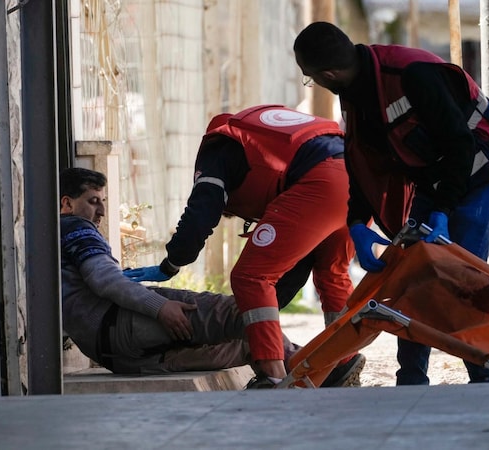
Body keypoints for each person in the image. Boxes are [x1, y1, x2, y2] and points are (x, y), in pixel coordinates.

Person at [294, 22, 489, 385]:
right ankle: (411, 382)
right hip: (435, 175)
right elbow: (361, 162)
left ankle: (485, 383)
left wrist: (442, 212)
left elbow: (460, 146)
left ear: (327, 74)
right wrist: (357, 224)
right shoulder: (353, 90)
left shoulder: (412, 74)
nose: (314, 84)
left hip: (481, 172)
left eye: (310, 78)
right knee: (410, 282)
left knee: (462, 284)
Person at [123, 105, 365, 388]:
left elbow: (201, 213)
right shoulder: (261, 139)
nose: (233, 215)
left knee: (250, 276)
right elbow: (291, 271)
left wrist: (172, 263)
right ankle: (343, 361)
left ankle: (272, 375)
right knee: (331, 273)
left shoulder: (218, 151)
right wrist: (251, 315)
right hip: (357, 177)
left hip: (321, 181)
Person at [60, 167, 294, 376]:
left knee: (250, 345)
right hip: (120, 326)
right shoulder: (76, 227)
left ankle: (323, 372)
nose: (101, 210)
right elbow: (105, 279)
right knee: (242, 313)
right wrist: (159, 306)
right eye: (93, 201)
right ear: (67, 204)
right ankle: (311, 378)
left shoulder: (48, 240)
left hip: (117, 356)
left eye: (103, 200)